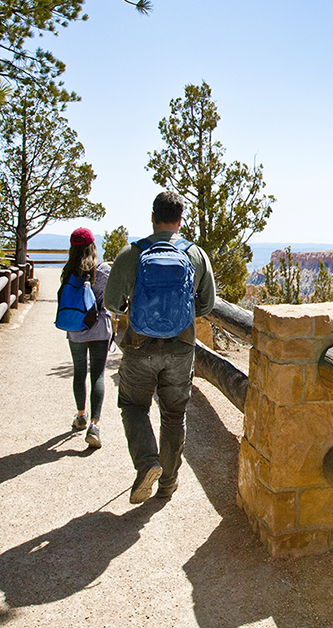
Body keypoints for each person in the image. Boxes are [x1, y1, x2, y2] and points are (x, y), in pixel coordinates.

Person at [104, 191, 216, 504]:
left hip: (140, 345)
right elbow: (207, 304)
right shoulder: (195, 254)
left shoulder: (132, 253)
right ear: (181, 220)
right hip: (181, 347)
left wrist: (134, 309)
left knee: (134, 405)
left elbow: (111, 301)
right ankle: (167, 483)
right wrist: (179, 314)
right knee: (174, 413)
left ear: (153, 218)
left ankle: (146, 463)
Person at [61, 227, 113, 449]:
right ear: (93, 246)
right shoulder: (103, 271)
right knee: (97, 375)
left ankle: (81, 415)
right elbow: (112, 301)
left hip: (75, 330)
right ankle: (94, 426)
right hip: (100, 329)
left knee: (79, 371)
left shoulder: (68, 272)